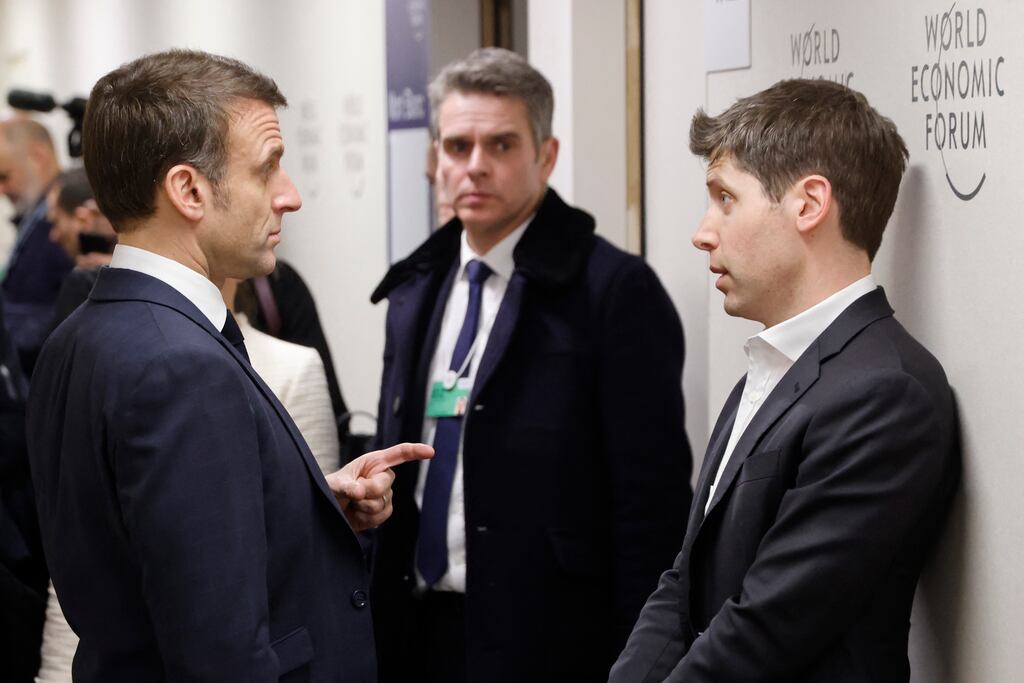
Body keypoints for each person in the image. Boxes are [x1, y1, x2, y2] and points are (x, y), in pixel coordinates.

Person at [27, 49, 431, 681]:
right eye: (267, 168)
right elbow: (218, 653)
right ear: (189, 190)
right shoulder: (180, 366)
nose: (289, 196)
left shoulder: (80, 334)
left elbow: (148, 542)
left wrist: (301, 506)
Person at [610, 79, 961, 682]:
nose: (703, 232)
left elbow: (766, 627)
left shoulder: (885, 393)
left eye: (726, 198)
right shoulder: (776, 363)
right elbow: (684, 582)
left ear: (808, 204)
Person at [370, 48, 692, 682]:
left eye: (501, 145)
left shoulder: (614, 291)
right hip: (417, 630)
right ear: (435, 156)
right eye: (458, 146)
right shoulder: (416, 289)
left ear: (546, 155)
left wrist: (640, 663)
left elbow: (649, 512)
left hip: (553, 641)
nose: (475, 166)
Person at [0, 118, 73, 376]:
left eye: (5, 176)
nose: (2, 190)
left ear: (37, 157)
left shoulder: (69, 217)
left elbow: (68, 312)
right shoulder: (34, 215)